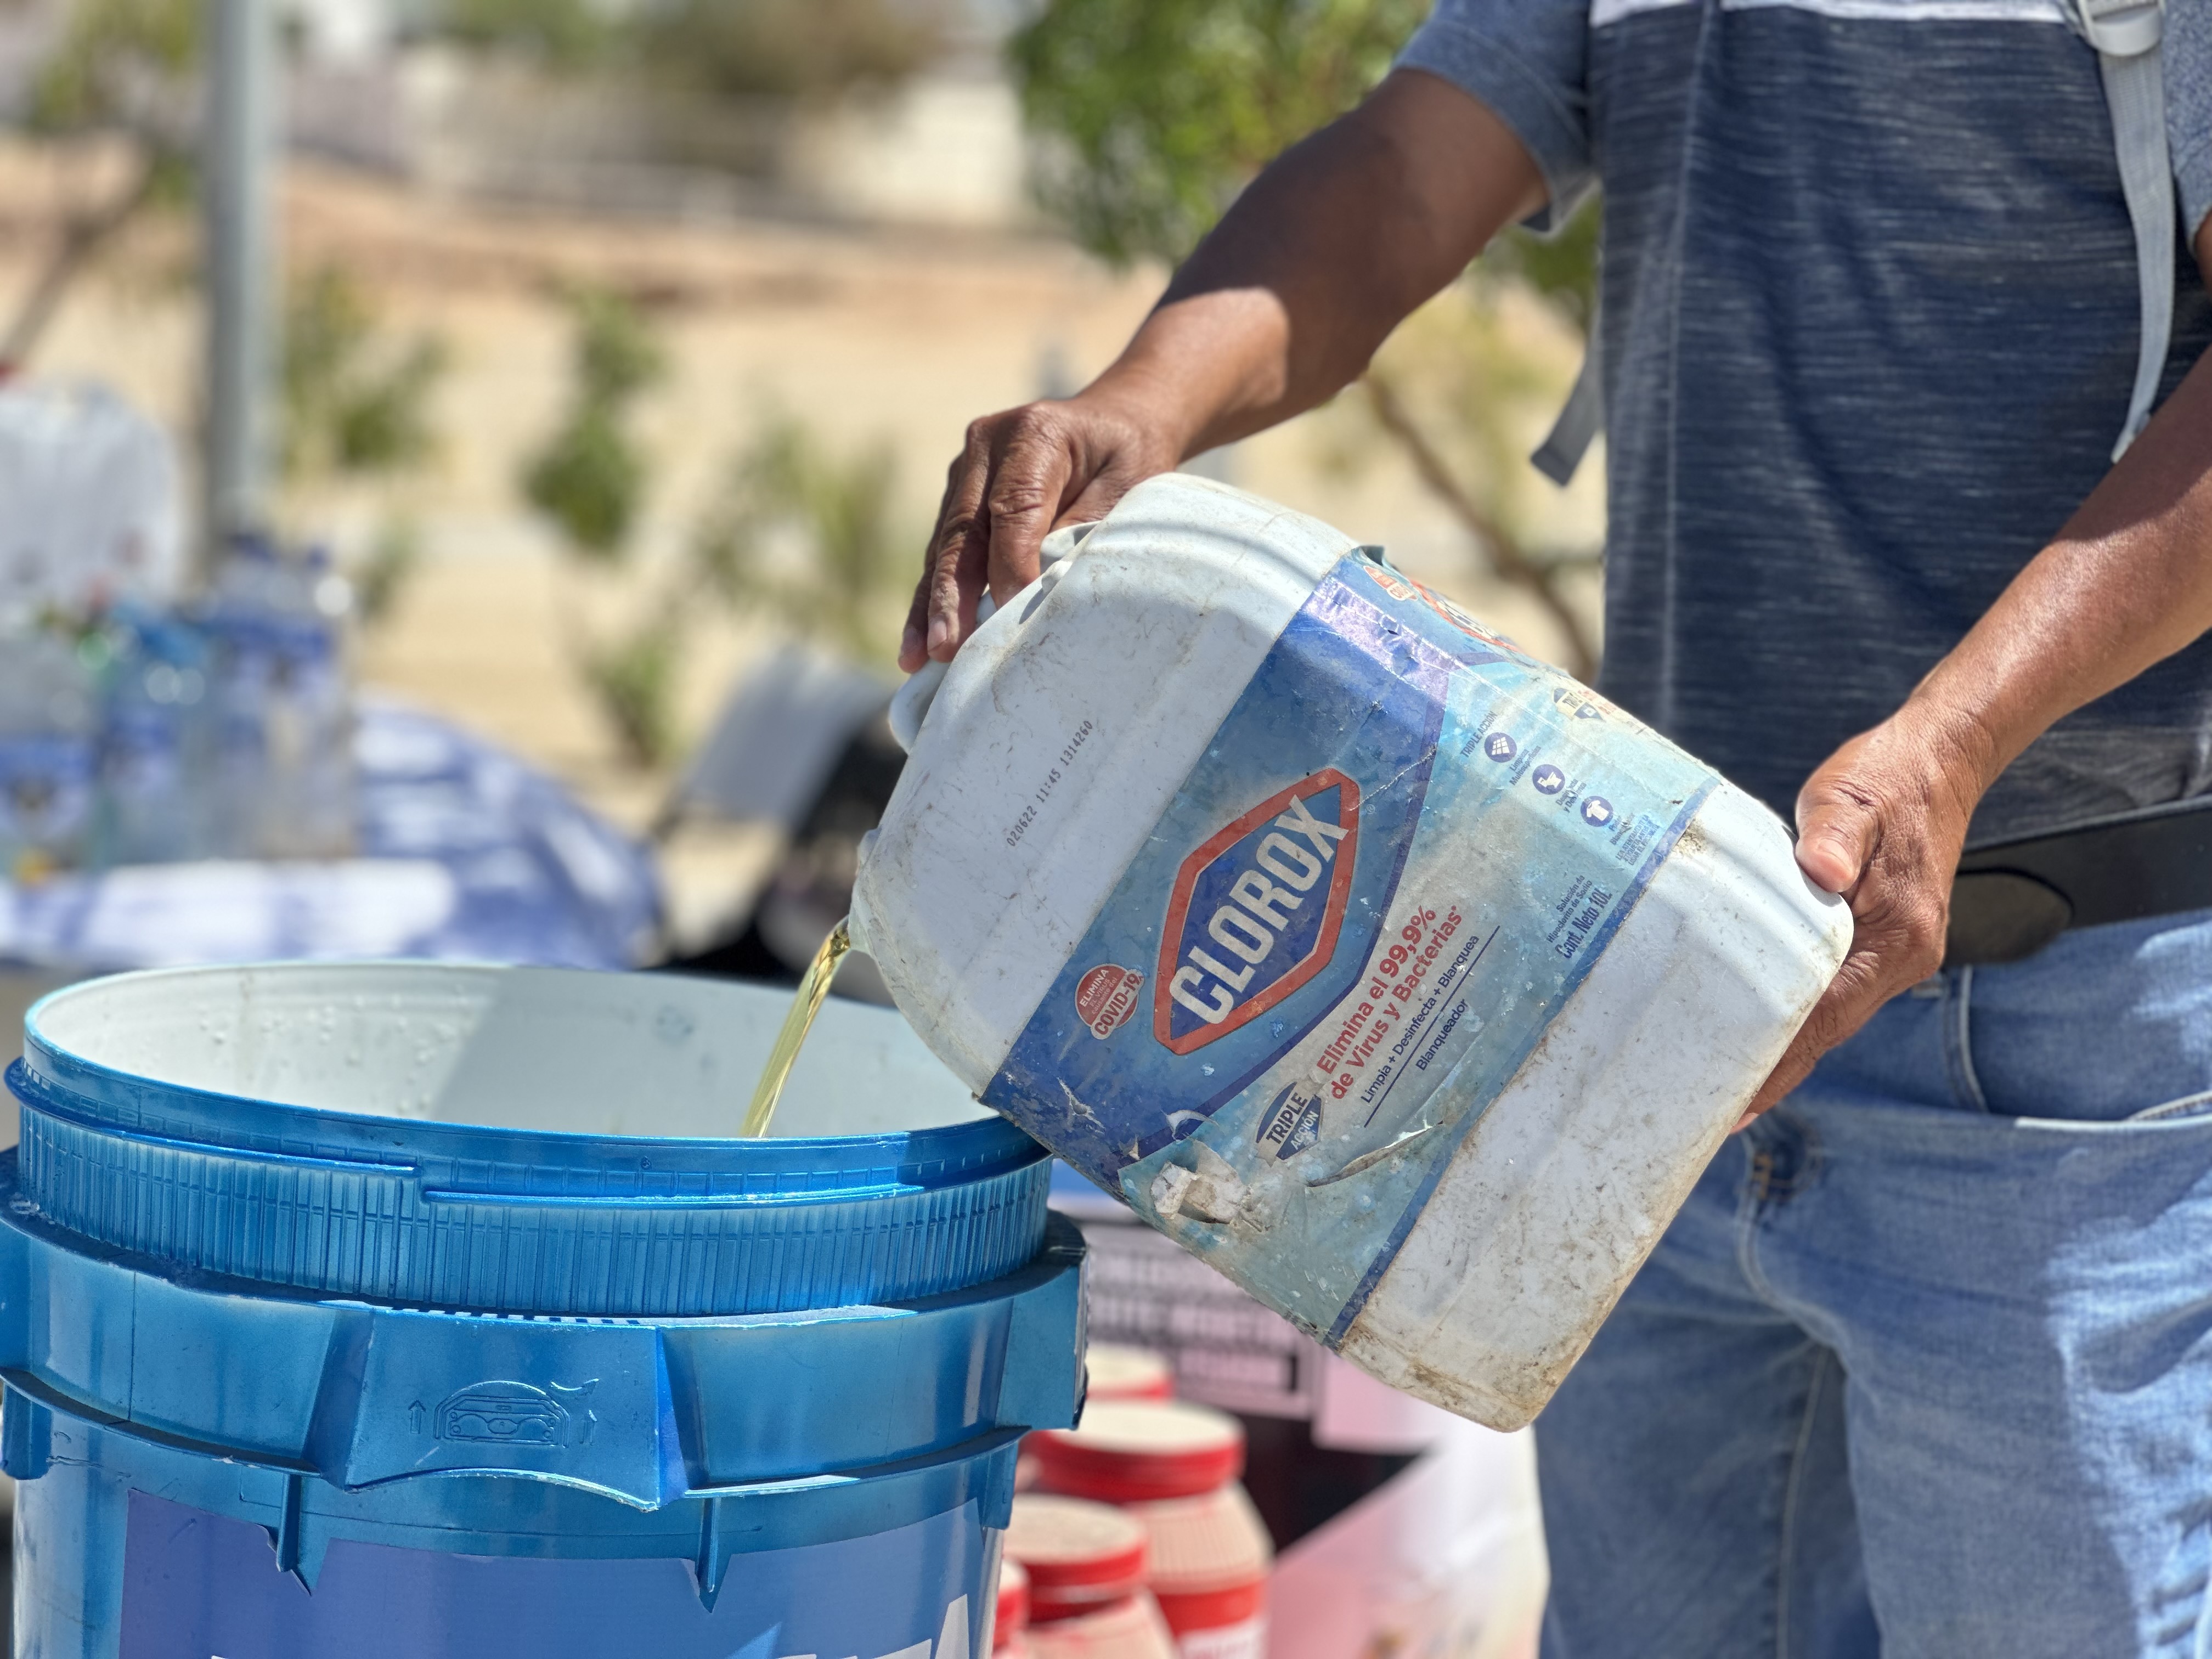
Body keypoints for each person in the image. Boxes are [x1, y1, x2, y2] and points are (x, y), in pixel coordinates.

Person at [903, 2, 2212, 1651]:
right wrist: (1142, 407)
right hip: (1657, 996)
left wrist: (1949, 752)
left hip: (2047, 1048)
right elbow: (1399, 171)